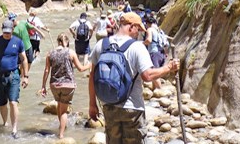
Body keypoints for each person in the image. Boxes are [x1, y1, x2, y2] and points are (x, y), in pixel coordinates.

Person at [88, 12, 180, 144]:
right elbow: (147, 75)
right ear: (131, 27)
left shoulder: (101, 45)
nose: (139, 33)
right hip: (133, 108)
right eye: (138, 29)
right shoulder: (137, 47)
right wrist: (168, 68)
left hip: (109, 105)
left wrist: (92, 104)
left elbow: (92, 77)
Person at [40, 33, 90, 139]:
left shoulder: (50, 53)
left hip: (54, 85)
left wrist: (43, 86)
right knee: (63, 111)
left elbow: (46, 70)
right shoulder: (71, 52)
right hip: (68, 84)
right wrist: (91, 64)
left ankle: (62, 126)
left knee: (59, 106)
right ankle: (61, 135)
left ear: (58, 41)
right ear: (66, 42)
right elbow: (81, 69)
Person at [144, 17, 167, 89]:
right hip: (162, 52)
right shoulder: (160, 30)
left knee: (154, 73)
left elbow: (149, 40)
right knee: (158, 72)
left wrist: (142, 43)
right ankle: (155, 90)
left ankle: (160, 91)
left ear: (148, 23)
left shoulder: (150, 29)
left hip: (154, 52)